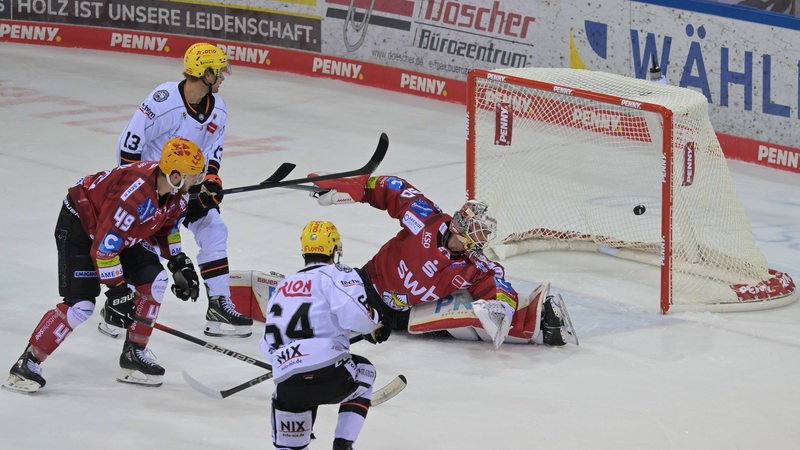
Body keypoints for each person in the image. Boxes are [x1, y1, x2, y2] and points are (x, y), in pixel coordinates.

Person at [3, 138, 205, 393]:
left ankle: (134, 357)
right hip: (80, 225)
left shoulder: (176, 196)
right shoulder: (132, 197)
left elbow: (167, 227)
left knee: (155, 281)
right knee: (81, 305)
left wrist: (178, 262)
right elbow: (104, 250)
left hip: (116, 232)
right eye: (192, 177)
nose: (196, 182)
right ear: (175, 176)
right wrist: (118, 291)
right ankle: (27, 364)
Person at [310, 174, 575, 348]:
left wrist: (503, 307)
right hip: (366, 284)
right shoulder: (426, 220)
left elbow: (496, 280)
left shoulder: (472, 265)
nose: (481, 242)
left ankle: (544, 324)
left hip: (405, 314)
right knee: (327, 306)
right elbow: (395, 189)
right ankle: (296, 294)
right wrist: (355, 189)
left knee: (471, 322)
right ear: (462, 228)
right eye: (478, 234)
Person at [100, 42, 252, 339]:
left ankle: (219, 306)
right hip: (153, 188)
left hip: (185, 186)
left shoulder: (218, 109)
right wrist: (138, 191)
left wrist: (211, 180)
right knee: (145, 251)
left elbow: (213, 151)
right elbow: (129, 145)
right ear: (204, 73)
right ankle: (116, 311)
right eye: (219, 71)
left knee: (214, 229)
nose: (223, 76)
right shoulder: (163, 100)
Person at [259, 220, 387, 450]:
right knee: (366, 371)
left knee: (289, 447)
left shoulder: (283, 285)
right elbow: (357, 316)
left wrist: (290, 360)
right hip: (332, 375)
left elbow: (267, 343)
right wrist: (375, 323)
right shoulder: (337, 273)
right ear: (334, 249)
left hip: (288, 383)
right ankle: (343, 445)